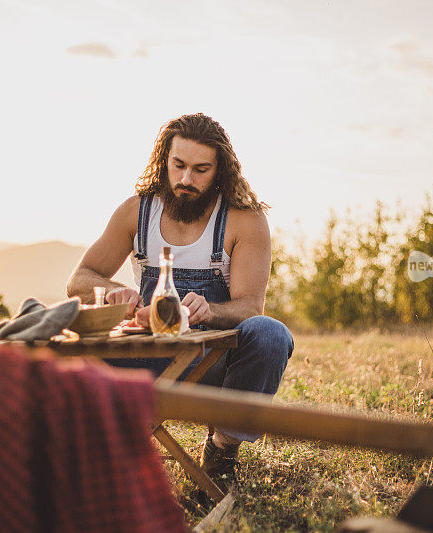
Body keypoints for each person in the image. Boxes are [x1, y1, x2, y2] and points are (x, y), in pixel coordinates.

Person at [66, 112, 294, 494]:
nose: (186, 179)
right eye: (179, 165)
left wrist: (213, 310)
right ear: (164, 161)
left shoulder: (243, 220)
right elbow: (79, 280)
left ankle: (221, 449)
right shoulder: (135, 212)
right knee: (55, 329)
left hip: (210, 364)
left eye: (201, 169)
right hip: (144, 355)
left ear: (220, 170)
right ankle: (83, 451)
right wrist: (111, 292)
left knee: (271, 335)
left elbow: (251, 307)